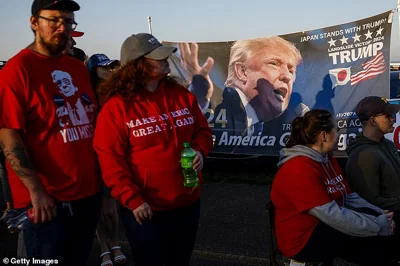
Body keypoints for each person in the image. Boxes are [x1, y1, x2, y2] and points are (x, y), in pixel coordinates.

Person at [93, 33, 213, 266]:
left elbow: (202, 130)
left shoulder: (180, 95)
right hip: (145, 210)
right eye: (157, 57)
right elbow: (110, 161)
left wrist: (199, 150)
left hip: (187, 203)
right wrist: (133, 199)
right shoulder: (116, 107)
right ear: (137, 65)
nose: (166, 59)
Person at [0, 1, 101, 265]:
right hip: (46, 201)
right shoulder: (17, 70)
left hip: (87, 194)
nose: (62, 27)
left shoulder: (78, 68)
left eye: (68, 22)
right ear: (34, 22)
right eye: (54, 20)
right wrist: (36, 191)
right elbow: (9, 135)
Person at [271, 109, 396, 266]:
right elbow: (331, 215)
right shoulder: (298, 169)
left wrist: (378, 212)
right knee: (372, 245)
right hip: (302, 239)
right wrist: (377, 226)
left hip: (322, 223)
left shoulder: (326, 158)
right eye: (336, 129)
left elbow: (349, 197)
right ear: (324, 136)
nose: (339, 133)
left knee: (381, 233)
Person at [214, 36, 303, 137]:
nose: (287, 76)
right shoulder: (221, 105)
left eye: (291, 71)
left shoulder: (270, 129)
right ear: (242, 71)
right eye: (274, 64)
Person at [86, 53, 127, 266]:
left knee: (111, 209)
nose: (109, 70)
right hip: (91, 158)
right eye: (104, 67)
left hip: (112, 157)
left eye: (111, 66)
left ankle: (116, 243)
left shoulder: (115, 94)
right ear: (93, 70)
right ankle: (104, 248)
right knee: (99, 210)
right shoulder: (85, 96)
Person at [346, 96, 400, 213]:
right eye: (388, 116)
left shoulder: (388, 144)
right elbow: (369, 201)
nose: (393, 119)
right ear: (373, 121)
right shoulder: (362, 155)